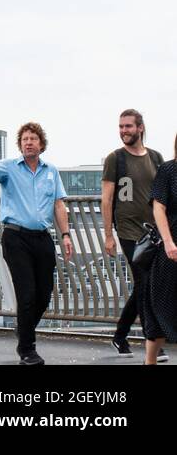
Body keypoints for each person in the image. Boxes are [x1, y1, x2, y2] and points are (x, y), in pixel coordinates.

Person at [0, 122, 72, 365]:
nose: (29, 142)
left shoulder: (51, 171)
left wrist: (65, 235)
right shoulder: (10, 167)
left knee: (44, 294)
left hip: (42, 237)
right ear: (20, 144)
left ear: (41, 144)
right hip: (15, 237)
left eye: (33, 138)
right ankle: (27, 350)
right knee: (27, 293)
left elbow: (58, 205)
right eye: (24, 139)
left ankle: (24, 329)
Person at [102, 108, 165, 357]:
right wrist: (108, 236)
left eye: (128, 126)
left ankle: (120, 335)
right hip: (129, 232)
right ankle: (154, 342)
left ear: (140, 128)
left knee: (149, 285)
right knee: (145, 284)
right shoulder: (115, 159)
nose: (123, 131)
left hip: (155, 233)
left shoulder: (157, 158)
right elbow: (106, 200)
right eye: (121, 127)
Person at [142, 134, 177, 366]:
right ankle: (150, 362)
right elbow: (158, 207)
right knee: (162, 305)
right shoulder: (168, 170)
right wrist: (168, 242)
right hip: (171, 248)